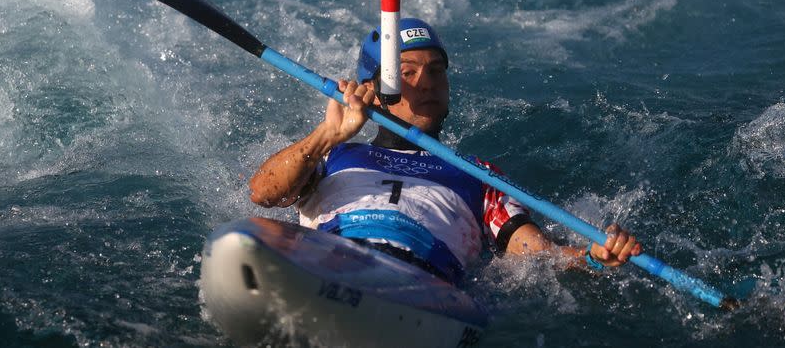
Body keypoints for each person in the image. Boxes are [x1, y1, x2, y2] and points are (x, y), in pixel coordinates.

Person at [250, 17, 642, 284]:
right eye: (406, 73)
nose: (427, 83)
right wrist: (327, 134)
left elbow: (534, 254)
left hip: (420, 280)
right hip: (328, 257)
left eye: (437, 71)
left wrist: (592, 257)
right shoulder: (333, 155)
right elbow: (264, 194)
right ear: (374, 89)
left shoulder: (478, 175)